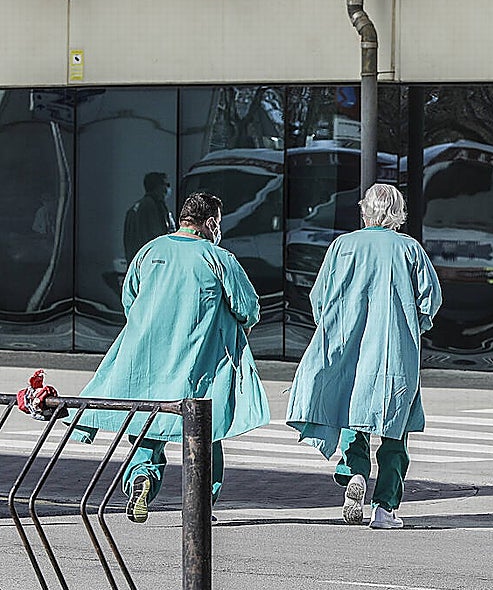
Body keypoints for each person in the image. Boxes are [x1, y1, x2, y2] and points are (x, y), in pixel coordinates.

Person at [72, 191, 270, 522]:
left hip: (149, 360)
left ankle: (141, 478)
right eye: (218, 224)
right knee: (207, 431)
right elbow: (248, 308)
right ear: (210, 223)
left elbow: (130, 301)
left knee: (150, 423)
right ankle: (201, 503)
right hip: (200, 363)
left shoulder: (149, 252)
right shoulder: (218, 258)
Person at [286, 183, 442, 530]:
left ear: (365, 210)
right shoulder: (409, 250)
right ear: (398, 213)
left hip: (348, 345)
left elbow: (320, 298)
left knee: (352, 414)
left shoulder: (343, 246)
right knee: (393, 430)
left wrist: (334, 326)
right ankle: (384, 508)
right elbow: (430, 300)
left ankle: (355, 471)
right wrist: (413, 325)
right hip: (393, 351)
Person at [123, 172, 176, 264]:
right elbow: (157, 237)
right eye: (166, 185)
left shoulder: (137, 207)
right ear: (158, 187)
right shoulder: (151, 207)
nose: (167, 189)